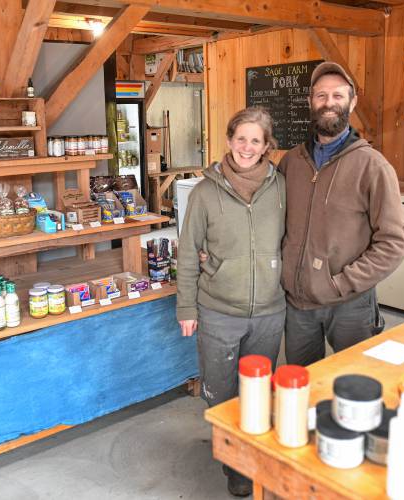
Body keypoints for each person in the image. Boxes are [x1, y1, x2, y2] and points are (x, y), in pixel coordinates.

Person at [176, 107, 285, 497]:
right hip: (219, 309)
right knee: (222, 393)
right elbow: (188, 252)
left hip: (270, 310)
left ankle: (252, 458)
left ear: (266, 146)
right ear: (228, 140)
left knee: (258, 392)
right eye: (241, 138)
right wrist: (186, 308)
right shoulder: (205, 192)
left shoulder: (280, 185)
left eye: (256, 140)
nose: (247, 147)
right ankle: (233, 465)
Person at [278, 61, 404, 367]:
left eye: (337, 95)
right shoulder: (290, 163)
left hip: (351, 304)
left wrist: (340, 283)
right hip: (298, 304)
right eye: (321, 96)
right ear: (311, 101)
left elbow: (393, 244)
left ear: (352, 101)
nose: (329, 103)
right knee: (302, 388)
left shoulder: (373, 166)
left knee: (354, 388)